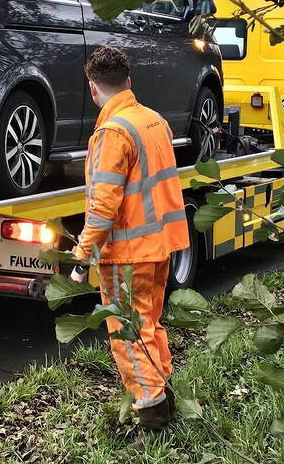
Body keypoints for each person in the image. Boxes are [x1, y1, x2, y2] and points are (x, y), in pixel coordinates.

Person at [70, 45, 190, 431]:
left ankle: (152, 414)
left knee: (128, 332)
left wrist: (81, 255)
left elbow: (103, 205)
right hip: (160, 244)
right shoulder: (153, 120)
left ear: (92, 87)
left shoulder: (112, 132)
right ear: (129, 82)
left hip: (127, 252)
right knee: (150, 323)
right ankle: (163, 391)